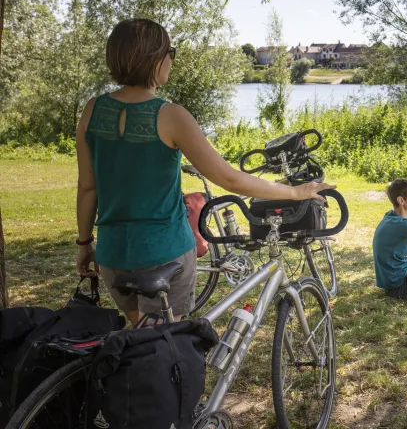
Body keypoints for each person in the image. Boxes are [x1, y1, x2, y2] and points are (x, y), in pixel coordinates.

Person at [76, 19, 333, 324]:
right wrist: (295, 191)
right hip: (164, 253)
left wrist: (84, 243)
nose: (171, 58)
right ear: (154, 58)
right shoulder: (169, 115)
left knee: (140, 344)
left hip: (113, 254)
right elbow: (228, 177)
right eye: (169, 51)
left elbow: (88, 187)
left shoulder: (93, 110)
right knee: (167, 350)